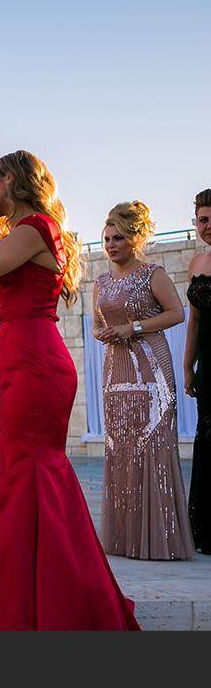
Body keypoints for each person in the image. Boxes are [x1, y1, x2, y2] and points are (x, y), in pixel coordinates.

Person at [0, 151, 139, 630]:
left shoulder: (35, 227)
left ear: (12, 182)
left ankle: (49, 597)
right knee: (20, 473)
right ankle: (24, 589)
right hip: (22, 357)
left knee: (30, 471)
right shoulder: (22, 231)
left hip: (36, 360)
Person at [92, 201, 191, 560]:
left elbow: (177, 313)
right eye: (106, 239)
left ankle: (158, 541)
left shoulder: (153, 273)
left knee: (150, 446)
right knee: (119, 448)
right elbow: (95, 323)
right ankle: (125, 540)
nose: (111, 245)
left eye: (118, 238)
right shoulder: (101, 281)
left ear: (134, 238)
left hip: (151, 369)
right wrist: (103, 332)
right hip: (115, 369)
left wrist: (132, 327)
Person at [184, 188, 211, 554]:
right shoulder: (196, 263)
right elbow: (194, 319)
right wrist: (188, 366)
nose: (209, 226)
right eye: (203, 220)